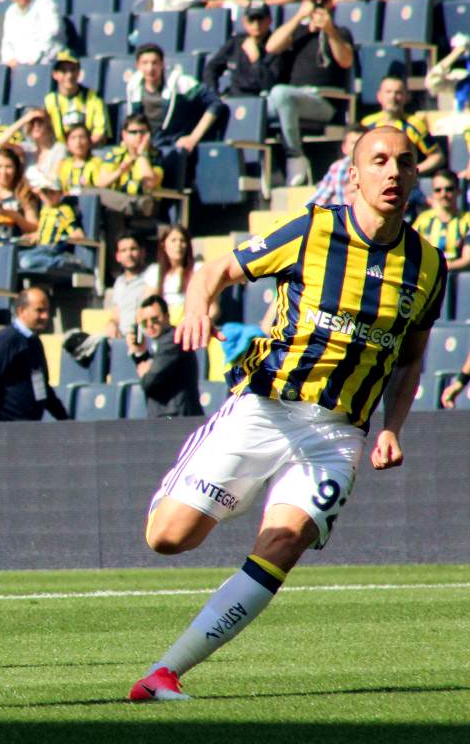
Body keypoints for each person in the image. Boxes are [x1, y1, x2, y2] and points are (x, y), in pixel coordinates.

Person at [129, 126, 446, 702]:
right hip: (266, 408)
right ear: (354, 176)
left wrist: (393, 428)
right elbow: (213, 272)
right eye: (379, 161)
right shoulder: (312, 229)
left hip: (338, 434)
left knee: (286, 538)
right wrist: (197, 309)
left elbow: (410, 359)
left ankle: (164, 674)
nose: (393, 172)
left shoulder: (429, 264)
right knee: (168, 539)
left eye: (404, 162)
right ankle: (205, 480)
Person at [265, 0, 355, 186]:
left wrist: (329, 31)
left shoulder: (340, 32)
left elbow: (346, 61)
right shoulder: (298, 32)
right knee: (257, 109)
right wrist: (299, 17)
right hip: (291, 98)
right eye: (314, 1)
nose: (319, 5)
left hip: (323, 101)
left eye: (324, 0)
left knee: (279, 94)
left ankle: (295, 156)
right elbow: (271, 47)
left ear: (331, 3)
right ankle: (263, 171)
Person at [126, 43, 224, 186]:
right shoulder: (133, 87)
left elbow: (215, 103)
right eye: (145, 63)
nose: (150, 68)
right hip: (149, 146)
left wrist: (193, 137)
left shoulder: (180, 83)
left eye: (154, 63)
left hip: (173, 145)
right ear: (138, 66)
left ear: (162, 64)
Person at [0, 287, 67, 422]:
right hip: (5, 428)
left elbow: (41, 386)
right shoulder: (5, 341)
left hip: (29, 427)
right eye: (39, 310)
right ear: (21, 311)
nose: (45, 316)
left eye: (46, 310)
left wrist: (65, 420)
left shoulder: (34, 342)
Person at [130, 295, 203, 418]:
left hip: (177, 417)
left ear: (167, 317)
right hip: (167, 415)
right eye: (144, 322)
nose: (150, 325)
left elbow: (149, 381)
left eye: (155, 319)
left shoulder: (172, 340)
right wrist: (140, 353)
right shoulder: (161, 341)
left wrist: (145, 372)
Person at [361, 76, 444, 176]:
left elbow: (437, 156)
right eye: (388, 92)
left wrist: (412, 172)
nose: (393, 97)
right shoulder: (367, 124)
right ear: (379, 96)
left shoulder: (414, 124)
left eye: (398, 93)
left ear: (407, 97)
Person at [203, 1, 284, 98]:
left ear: (270, 20)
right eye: (251, 20)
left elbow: (271, 85)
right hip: (235, 96)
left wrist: (256, 61)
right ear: (244, 22)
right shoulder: (236, 42)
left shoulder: (277, 45)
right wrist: (214, 95)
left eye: (260, 19)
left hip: (261, 98)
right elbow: (211, 68)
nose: (256, 24)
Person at [45, 55, 110, 147]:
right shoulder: (49, 100)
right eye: (63, 71)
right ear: (55, 75)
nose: (69, 75)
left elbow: (100, 132)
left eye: (73, 70)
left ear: (79, 72)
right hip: (60, 149)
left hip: (87, 148)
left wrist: (80, 147)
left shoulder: (93, 98)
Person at [412, 169, 470, 271]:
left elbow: (467, 260)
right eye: (438, 190)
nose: (444, 194)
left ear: (459, 191)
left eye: (449, 189)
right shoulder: (423, 220)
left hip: (456, 276)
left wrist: (438, 268)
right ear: (432, 194)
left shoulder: (467, 220)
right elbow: (411, 252)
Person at [0, 0, 63, 68]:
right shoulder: (10, 12)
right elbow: (7, 44)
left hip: (47, 62)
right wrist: (10, 60)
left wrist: (32, 61)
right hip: (19, 65)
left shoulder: (45, 4)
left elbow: (50, 36)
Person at [97, 113, 164, 195]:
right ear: (124, 135)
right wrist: (120, 171)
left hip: (143, 200)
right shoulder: (115, 154)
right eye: (133, 132)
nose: (139, 136)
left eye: (143, 132)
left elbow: (149, 184)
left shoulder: (155, 155)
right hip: (117, 199)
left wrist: (142, 154)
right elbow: (100, 183)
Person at [144, 225, 199, 324]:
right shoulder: (154, 272)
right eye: (173, 240)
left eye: (182, 241)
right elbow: (148, 304)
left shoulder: (198, 269)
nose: (178, 245)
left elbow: (214, 309)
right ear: (163, 245)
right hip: (164, 325)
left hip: (191, 323)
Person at [0, 107, 67, 179]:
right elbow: (1, 142)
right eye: (32, 122)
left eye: (40, 121)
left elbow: (55, 178)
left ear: (48, 124)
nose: (36, 125)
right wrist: (24, 119)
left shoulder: (59, 149)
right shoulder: (27, 150)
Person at [106, 233, 150, 342]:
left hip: (140, 337)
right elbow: (116, 315)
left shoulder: (150, 275)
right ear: (118, 256)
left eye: (133, 249)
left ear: (142, 252)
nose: (129, 254)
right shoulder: (119, 282)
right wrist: (112, 324)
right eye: (124, 250)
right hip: (120, 337)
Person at [308, 124, 365, 207]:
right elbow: (321, 196)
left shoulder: (374, 169)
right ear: (344, 148)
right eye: (354, 143)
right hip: (343, 211)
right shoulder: (338, 167)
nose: (357, 147)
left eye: (361, 143)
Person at [57, 124, 103, 193]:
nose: (78, 142)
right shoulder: (63, 164)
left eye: (82, 137)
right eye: (73, 138)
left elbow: (100, 188)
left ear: (89, 142)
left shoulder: (97, 163)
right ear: (67, 144)